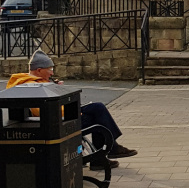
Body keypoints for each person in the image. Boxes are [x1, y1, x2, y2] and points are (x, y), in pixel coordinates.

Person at [4, 50, 137, 168]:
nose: (52, 72)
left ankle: (103, 155)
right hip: (59, 123)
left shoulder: (37, 82)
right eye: (49, 69)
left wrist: (55, 88)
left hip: (61, 118)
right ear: (39, 70)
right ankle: (107, 152)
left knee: (97, 110)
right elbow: (40, 111)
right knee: (98, 111)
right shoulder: (31, 86)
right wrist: (70, 111)